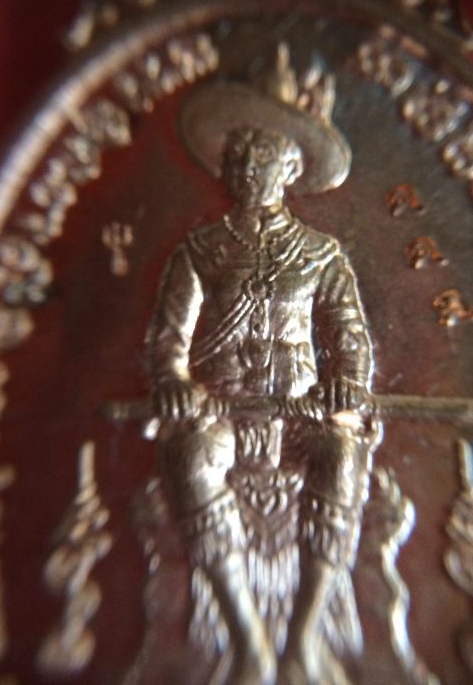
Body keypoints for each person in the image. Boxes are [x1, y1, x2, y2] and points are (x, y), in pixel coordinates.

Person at [146, 48, 379, 685]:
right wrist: (174, 382)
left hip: (300, 412)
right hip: (221, 410)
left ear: (293, 167)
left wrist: (346, 385)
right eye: (239, 153)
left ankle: (304, 638)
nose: (248, 166)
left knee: (342, 453)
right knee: (190, 456)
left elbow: (351, 338)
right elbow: (167, 340)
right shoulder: (200, 251)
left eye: (263, 153)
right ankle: (247, 639)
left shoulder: (321, 254)